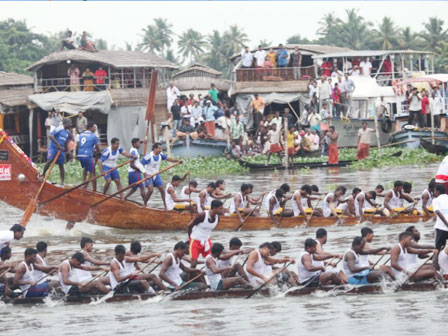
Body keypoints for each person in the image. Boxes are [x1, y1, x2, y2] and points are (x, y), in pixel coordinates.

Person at [141, 142, 181, 209]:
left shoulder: (161, 155)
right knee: (150, 190)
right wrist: (145, 174)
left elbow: (168, 159)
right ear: (155, 149)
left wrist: (177, 161)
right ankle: (144, 204)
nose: (160, 150)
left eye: (161, 148)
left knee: (162, 190)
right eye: (159, 148)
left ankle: (166, 206)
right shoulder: (148, 156)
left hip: (156, 174)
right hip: (148, 175)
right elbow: (140, 165)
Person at [187, 200, 224, 268]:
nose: (222, 211)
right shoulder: (202, 215)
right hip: (195, 240)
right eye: (220, 208)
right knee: (194, 264)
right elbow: (189, 226)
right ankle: (189, 278)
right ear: (214, 208)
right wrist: (190, 238)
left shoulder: (217, 218)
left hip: (206, 241)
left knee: (212, 261)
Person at [42, 118, 72, 185]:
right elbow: (50, 135)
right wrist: (57, 145)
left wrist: (68, 151)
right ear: (66, 123)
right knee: (49, 160)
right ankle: (43, 175)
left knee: (61, 165)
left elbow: (65, 142)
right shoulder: (59, 128)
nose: (71, 124)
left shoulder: (67, 133)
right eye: (70, 123)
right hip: (53, 148)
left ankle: (63, 182)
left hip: (61, 150)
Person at [76, 122, 99, 191]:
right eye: (94, 127)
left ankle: (84, 184)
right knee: (93, 172)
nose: (95, 129)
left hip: (80, 154)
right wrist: (98, 152)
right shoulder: (93, 136)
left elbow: (78, 145)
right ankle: (94, 191)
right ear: (91, 127)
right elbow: (97, 147)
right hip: (87, 155)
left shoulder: (81, 135)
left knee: (85, 168)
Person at [432, 184, 448, 250]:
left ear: (438, 191)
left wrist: (447, 224)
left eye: (435, 191)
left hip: (441, 228)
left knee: (437, 250)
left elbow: (438, 212)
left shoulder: (436, 200)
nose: (434, 192)